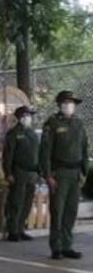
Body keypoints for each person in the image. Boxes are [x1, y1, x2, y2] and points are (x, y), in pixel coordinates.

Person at [40, 90, 87, 260]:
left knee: (71, 212)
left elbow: (84, 148)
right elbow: (45, 151)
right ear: (60, 105)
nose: (69, 106)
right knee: (58, 211)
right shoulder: (52, 123)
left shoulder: (78, 123)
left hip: (75, 173)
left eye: (72, 103)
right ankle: (56, 247)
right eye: (66, 103)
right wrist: (48, 175)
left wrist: (84, 172)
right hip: (59, 173)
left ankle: (68, 245)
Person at [1, 104, 39, 242]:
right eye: (25, 116)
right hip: (19, 172)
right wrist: (8, 173)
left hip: (32, 173)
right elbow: (8, 155)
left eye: (29, 116)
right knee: (16, 202)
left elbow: (38, 153)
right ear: (19, 118)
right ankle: (13, 230)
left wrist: (39, 172)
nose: (28, 118)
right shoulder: (13, 134)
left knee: (27, 203)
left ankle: (21, 228)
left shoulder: (32, 133)